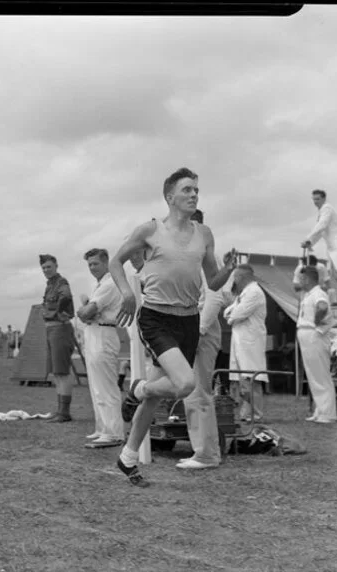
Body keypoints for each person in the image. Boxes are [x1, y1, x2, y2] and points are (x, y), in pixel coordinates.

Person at [109, 168, 237, 487]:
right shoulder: (150, 230)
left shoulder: (204, 234)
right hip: (156, 318)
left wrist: (229, 268)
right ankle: (137, 388)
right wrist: (127, 294)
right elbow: (116, 261)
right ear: (170, 197)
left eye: (196, 190)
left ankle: (127, 458)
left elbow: (213, 280)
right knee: (185, 384)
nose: (194, 194)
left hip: (189, 320)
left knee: (154, 398)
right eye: (187, 190)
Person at [177, 209, 230, 470]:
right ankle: (201, 450)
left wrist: (198, 330)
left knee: (200, 391)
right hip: (189, 327)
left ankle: (207, 454)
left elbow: (215, 298)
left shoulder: (207, 256)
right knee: (190, 391)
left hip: (202, 330)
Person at [76, 248, 124, 448]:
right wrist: (86, 312)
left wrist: (84, 311)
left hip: (104, 332)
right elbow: (87, 313)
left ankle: (113, 432)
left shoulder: (110, 283)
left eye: (95, 263)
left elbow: (87, 311)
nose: (92, 268)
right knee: (96, 387)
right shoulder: (99, 285)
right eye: (89, 265)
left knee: (106, 386)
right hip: (94, 332)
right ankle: (102, 427)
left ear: (105, 263)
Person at [223, 265, 268, 423]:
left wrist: (231, 316)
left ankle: (255, 413)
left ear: (241, 277)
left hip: (251, 341)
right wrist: (231, 316)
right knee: (242, 379)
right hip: (241, 341)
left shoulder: (254, 292)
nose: (234, 281)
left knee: (251, 377)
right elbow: (228, 311)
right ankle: (246, 412)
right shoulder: (243, 293)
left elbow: (238, 313)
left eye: (235, 277)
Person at [296, 267, 337, 423]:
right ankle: (320, 410)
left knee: (321, 374)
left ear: (307, 279)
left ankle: (328, 413)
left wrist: (317, 320)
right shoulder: (308, 294)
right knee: (313, 375)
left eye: (301, 279)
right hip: (307, 335)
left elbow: (322, 307)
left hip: (315, 335)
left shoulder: (319, 293)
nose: (299, 282)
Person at [39, 253, 76, 423]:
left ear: (56, 266)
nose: (46, 270)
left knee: (62, 371)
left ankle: (64, 412)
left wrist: (57, 312)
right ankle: (60, 409)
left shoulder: (61, 283)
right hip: (51, 330)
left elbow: (66, 296)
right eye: (44, 267)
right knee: (57, 373)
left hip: (60, 328)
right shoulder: (50, 285)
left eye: (49, 266)